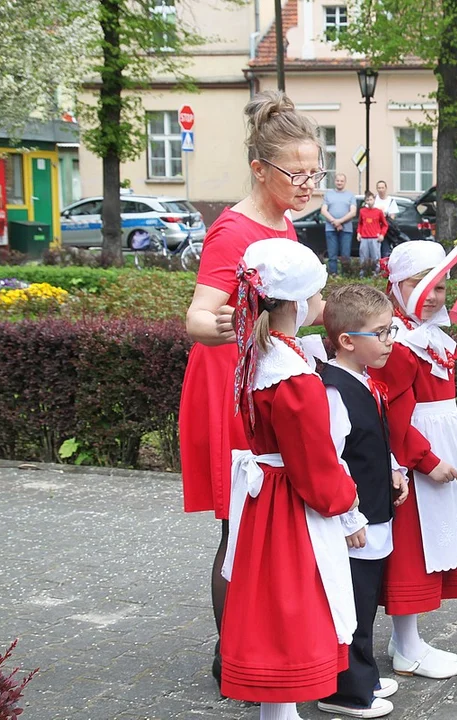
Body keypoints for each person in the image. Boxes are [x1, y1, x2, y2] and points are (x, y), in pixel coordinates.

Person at [179, 90, 327, 688]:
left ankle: (263, 648)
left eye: (315, 171)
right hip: (231, 388)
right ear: (260, 168)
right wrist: (223, 325)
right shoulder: (231, 232)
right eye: (297, 172)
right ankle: (230, 659)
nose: (308, 183)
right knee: (238, 526)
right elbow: (197, 317)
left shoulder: (284, 222)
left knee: (265, 522)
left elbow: (298, 309)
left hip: (266, 375)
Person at [221, 238, 358, 720]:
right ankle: (279, 713)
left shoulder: (259, 355)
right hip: (292, 504)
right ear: (297, 303)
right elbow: (314, 465)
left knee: (271, 604)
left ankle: (277, 712)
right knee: (296, 604)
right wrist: (346, 505)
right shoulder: (292, 378)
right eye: (318, 294)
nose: (324, 303)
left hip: (266, 498)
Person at [368, 241, 457, 681]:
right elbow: (391, 415)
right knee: (413, 549)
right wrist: (424, 460)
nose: (432, 295)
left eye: (439, 284)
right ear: (395, 286)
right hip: (415, 458)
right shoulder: (400, 345)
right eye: (418, 284)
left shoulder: (431, 337)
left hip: (437, 447)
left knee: (431, 545)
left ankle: (409, 639)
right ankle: (406, 645)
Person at [317, 284, 410, 719]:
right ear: (347, 340)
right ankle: (344, 690)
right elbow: (331, 458)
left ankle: (364, 675)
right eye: (382, 332)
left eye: (391, 329)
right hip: (356, 519)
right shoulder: (335, 390)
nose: (390, 339)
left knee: (366, 599)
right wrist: (349, 516)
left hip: (375, 507)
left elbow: (369, 438)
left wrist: (393, 467)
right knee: (351, 605)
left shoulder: (363, 382)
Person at [322, 172, 358, 276]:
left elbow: (353, 212)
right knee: (332, 254)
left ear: (345, 182)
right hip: (330, 228)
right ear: (335, 181)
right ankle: (333, 274)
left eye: (342, 181)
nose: (339, 183)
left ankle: (345, 275)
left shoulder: (350, 195)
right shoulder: (328, 194)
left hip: (346, 229)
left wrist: (340, 221)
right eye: (338, 180)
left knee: (345, 254)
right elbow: (323, 211)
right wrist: (335, 222)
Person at [357, 191, 389, 278]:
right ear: (365, 201)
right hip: (364, 237)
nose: (369, 201)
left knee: (376, 257)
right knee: (363, 256)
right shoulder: (362, 211)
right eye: (367, 200)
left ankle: (376, 273)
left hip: (375, 238)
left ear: (374, 200)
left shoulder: (378, 212)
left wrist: (382, 234)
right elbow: (360, 223)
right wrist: (359, 233)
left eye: (371, 199)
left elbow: (385, 225)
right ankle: (363, 273)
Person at [374, 180, 401, 258]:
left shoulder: (390, 201)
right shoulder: (374, 199)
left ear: (386, 188)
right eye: (379, 188)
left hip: (385, 231)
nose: (381, 190)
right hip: (374, 230)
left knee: (385, 251)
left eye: (382, 188)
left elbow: (392, 217)